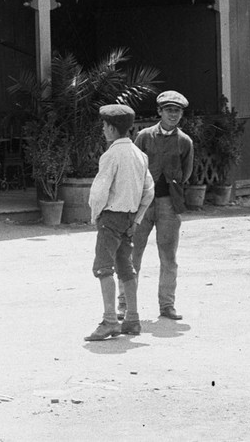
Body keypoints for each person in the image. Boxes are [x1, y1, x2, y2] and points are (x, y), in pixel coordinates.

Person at [84, 103, 155, 342]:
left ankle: (110, 320)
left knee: (103, 267)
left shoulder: (111, 155)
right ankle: (132, 318)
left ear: (113, 129)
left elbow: (100, 191)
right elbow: (149, 190)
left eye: (105, 126)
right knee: (126, 266)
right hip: (129, 218)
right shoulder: (140, 155)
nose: (103, 130)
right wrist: (137, 218)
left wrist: (95, 214)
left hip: (111, 217)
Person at [121, 90, 193, 322]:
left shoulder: (185, 142)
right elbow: (133, 166)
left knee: (168, 256)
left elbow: (187, 172)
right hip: (142, 204)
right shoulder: (143, 136)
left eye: (178, 111)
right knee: (133, 254)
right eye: (169, 110)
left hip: (169, 205)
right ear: (159, 111)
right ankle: (124, 304)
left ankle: (167, 305)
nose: (173, 115)